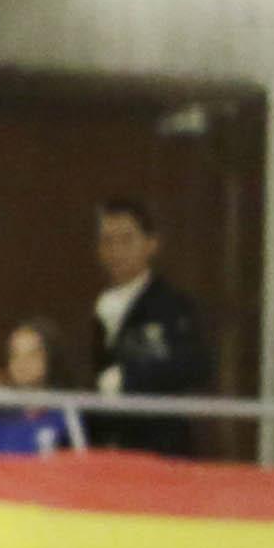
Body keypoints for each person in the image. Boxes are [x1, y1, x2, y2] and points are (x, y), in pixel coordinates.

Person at [88, 197, 214, 462]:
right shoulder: (100, 306)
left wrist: (127, 379)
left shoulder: (172, 307)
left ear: (151, 244)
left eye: (126, 240)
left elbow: (195, 365)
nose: (116, 251)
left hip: (159, 446)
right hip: (110, 448)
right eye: (107, 241)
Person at [0, 319, 85, 458]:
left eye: (32, 354)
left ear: (50, 358)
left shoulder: (66, 412)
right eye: (15, 355)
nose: (22, 363)